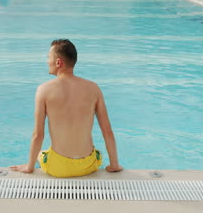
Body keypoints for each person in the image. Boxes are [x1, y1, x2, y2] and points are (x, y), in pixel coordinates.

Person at [10, 39, 123, 177]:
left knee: (41, 154)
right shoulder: (94, 88)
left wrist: (29, 166)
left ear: (58, 62)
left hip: (58, 167)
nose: (47, 62)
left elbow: (38, 135)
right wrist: (114, 165)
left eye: (49, 58)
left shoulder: (44, 90)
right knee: (96, 153)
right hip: (88, 165)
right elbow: (107, 131)